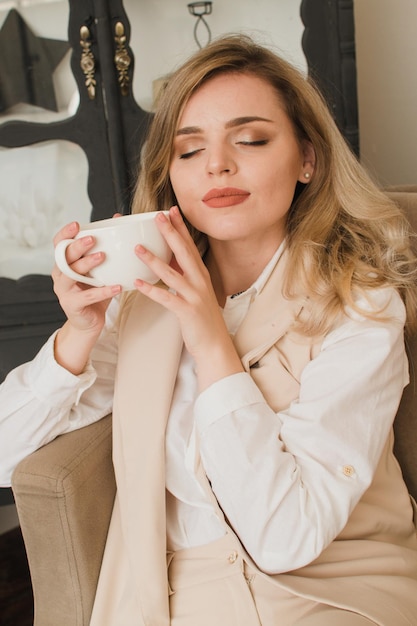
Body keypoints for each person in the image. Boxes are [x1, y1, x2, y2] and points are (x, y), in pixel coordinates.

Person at [1, 34, 417, 626]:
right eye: (189, 150)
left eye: (250, 139)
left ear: (308, 159)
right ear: (170, 176)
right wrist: (78, 335)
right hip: (176, 597)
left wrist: (209, 337)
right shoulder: (143, 307)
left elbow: (285, 538)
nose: (217, 164)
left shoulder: (359, 301)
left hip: (333, 591)